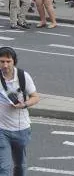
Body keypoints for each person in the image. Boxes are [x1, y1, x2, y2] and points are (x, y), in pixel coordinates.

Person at [0, 47, 40, 175]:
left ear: (14, 61)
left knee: (20, 166)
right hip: (2, 130)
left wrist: (24, 104)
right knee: (3, 168)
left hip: (21, 128)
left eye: (8, 61)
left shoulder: (23, 76)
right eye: (1, 61)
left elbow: (35, 97)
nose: (5, 65)